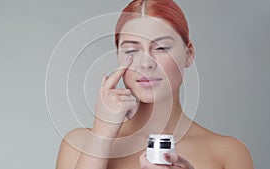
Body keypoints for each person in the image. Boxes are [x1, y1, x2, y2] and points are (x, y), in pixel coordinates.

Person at [56, 0, 254, 168]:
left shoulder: (228, 153)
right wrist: (102, 133)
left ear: (189, 54)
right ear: (118, 56)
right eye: (131, 50)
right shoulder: (79, 145)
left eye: (161, 47)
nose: (145, 63)